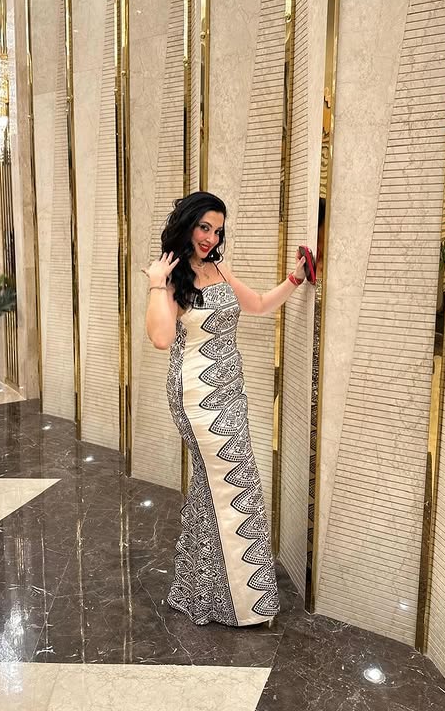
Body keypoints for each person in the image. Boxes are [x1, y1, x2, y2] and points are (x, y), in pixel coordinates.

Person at [143, 191, 307, 626]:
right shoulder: (172, 277)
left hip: (230, 395)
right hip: (198, 398)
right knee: (236, 483)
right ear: (188, 225)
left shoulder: (217, 268)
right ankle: (245, 604)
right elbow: (161, 338)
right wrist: (157, 283)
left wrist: (295, 279)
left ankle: (203, 592)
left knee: (211, 487)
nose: (210, 237)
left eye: (217, 231)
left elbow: (257, 304)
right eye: (204, 227)